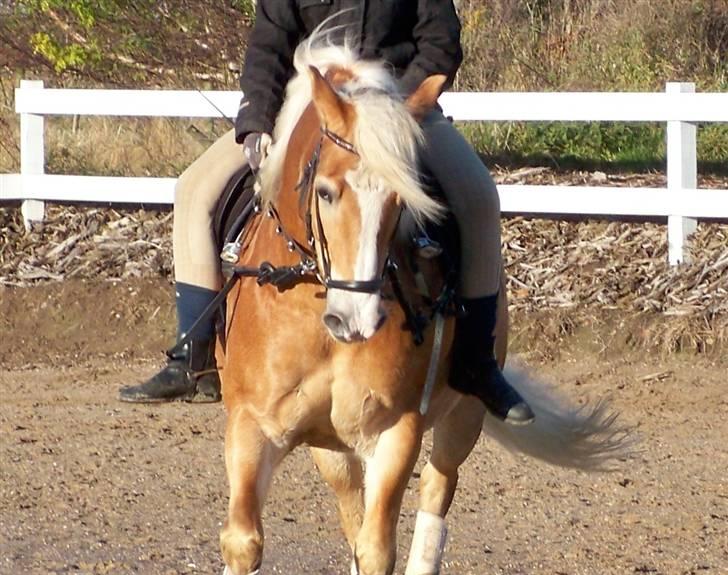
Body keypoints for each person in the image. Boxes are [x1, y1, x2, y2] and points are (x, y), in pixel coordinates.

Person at [119, 0, 533, 425]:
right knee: (194, 187)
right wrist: (257, 123)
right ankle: (194, 358)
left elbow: (440, 45)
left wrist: (391, 107)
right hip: (306, 112)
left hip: (396, 113)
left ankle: (478, 363)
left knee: (480, 195)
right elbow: (269, 47)